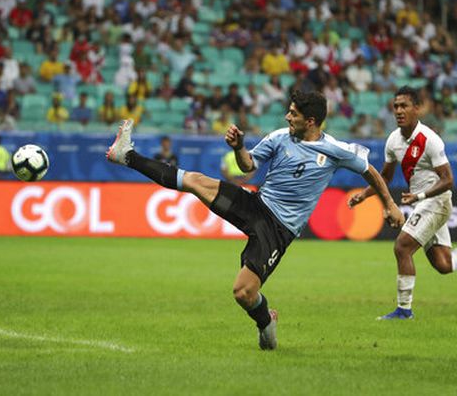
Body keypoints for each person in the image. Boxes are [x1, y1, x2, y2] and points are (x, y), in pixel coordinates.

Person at [106, 90, 404, 350]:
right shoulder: (278, 137)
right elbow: (247, 165)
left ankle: (265, 321)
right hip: (256, 205)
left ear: (311, 121)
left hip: (278, 229)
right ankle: (127, 156)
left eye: (293, 113)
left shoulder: (336, 150)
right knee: (196, 181)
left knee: (243, 292)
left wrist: (389, 204)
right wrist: (239, 148)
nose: (287, 117)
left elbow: (370, 171)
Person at [349, 86, 456, 320]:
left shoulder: (429, 140)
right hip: (422, 204)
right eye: (396, 106)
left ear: (416, 109)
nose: (399, 110)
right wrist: (364, 195)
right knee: (443, 265)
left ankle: (404, 310)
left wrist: (419, 197)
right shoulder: (393, 140)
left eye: (404, 105)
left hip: (436, 201)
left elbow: (448, 180)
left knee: (402, 247)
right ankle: (404, 310)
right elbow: (385, 177)